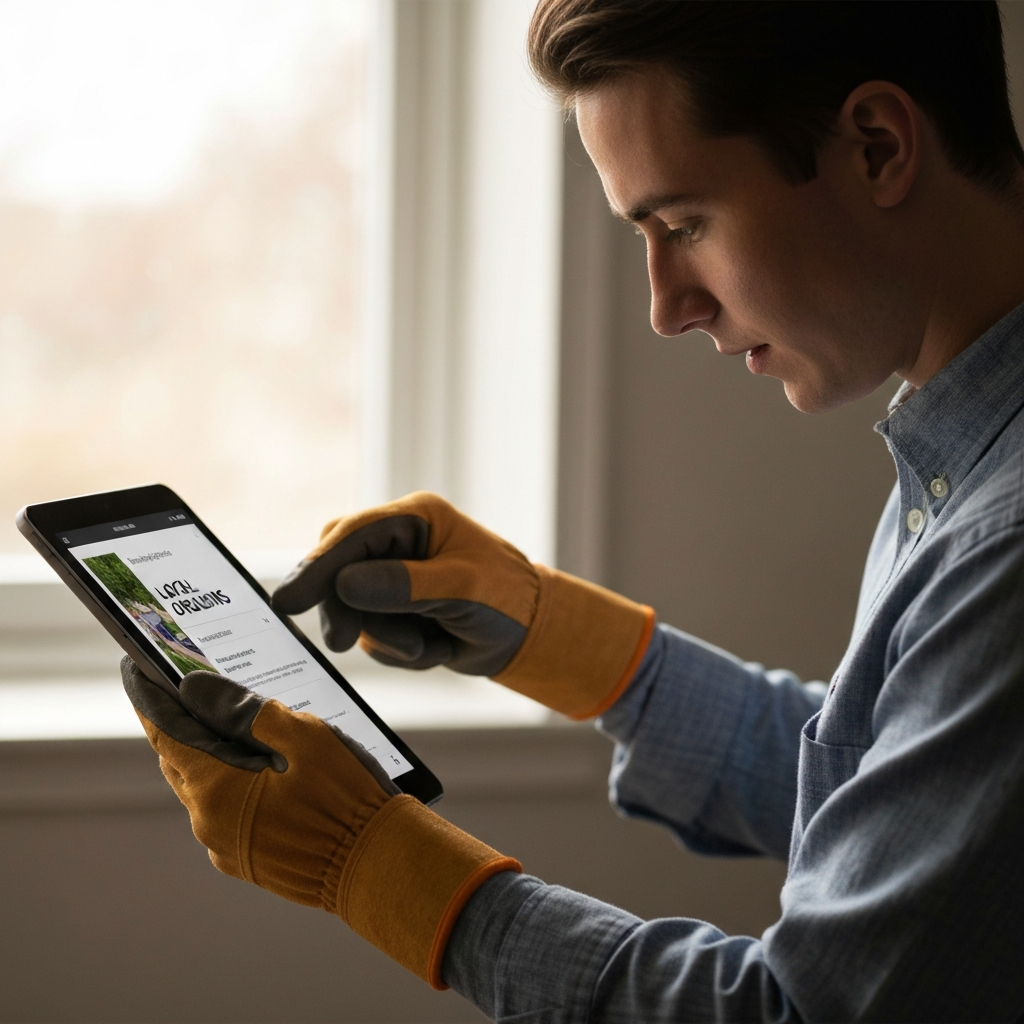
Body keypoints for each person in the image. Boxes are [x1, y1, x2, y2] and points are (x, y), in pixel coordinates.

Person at [120, 2, 1024, 1020]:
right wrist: (563, 639)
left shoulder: (1005, 546)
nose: (667, 303)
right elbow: (895, 797)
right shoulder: (966, 457)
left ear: (876, 146)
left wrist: (372, 863)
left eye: (684, 224)